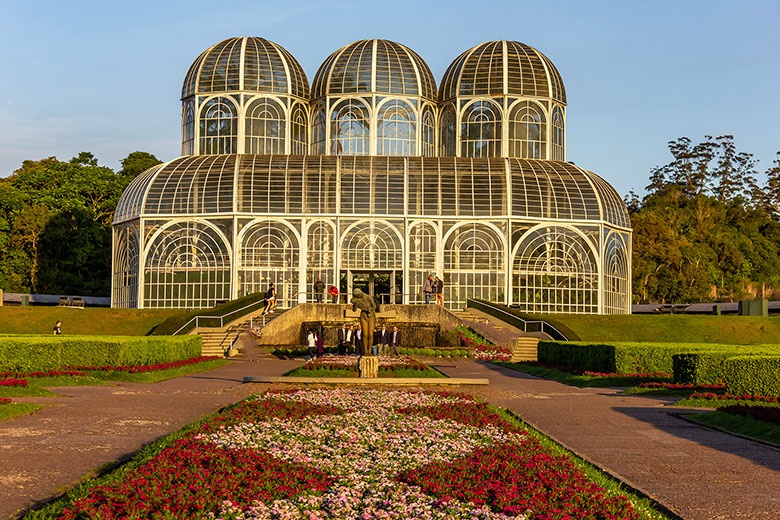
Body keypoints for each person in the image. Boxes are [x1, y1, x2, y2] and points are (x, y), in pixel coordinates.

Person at [351, 288, 377, 354]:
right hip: (363, 316)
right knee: (365, 334)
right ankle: (365, 351)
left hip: (371, 316)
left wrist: (369, 309)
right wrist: (354, 303)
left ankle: (369, 351)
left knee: (370, 334)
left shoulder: (368, 297)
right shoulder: (358, 300)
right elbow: (354, 309)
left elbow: (374, 306)